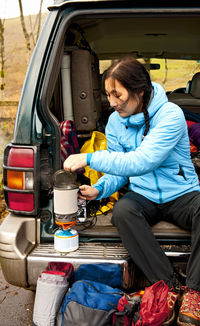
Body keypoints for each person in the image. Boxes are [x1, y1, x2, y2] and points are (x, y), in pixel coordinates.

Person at [63, 57, 200, 325]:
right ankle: (167, 287)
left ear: (140, 91)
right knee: (123, 210)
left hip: (181, 193)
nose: (112, 102)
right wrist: (98, 189)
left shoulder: (170, 115)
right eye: (107, 95)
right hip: (145, 194)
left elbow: (142, 160)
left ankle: (194, 292)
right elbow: (120, 169)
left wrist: (89, 158)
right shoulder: (115, 122)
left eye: (118, 95)